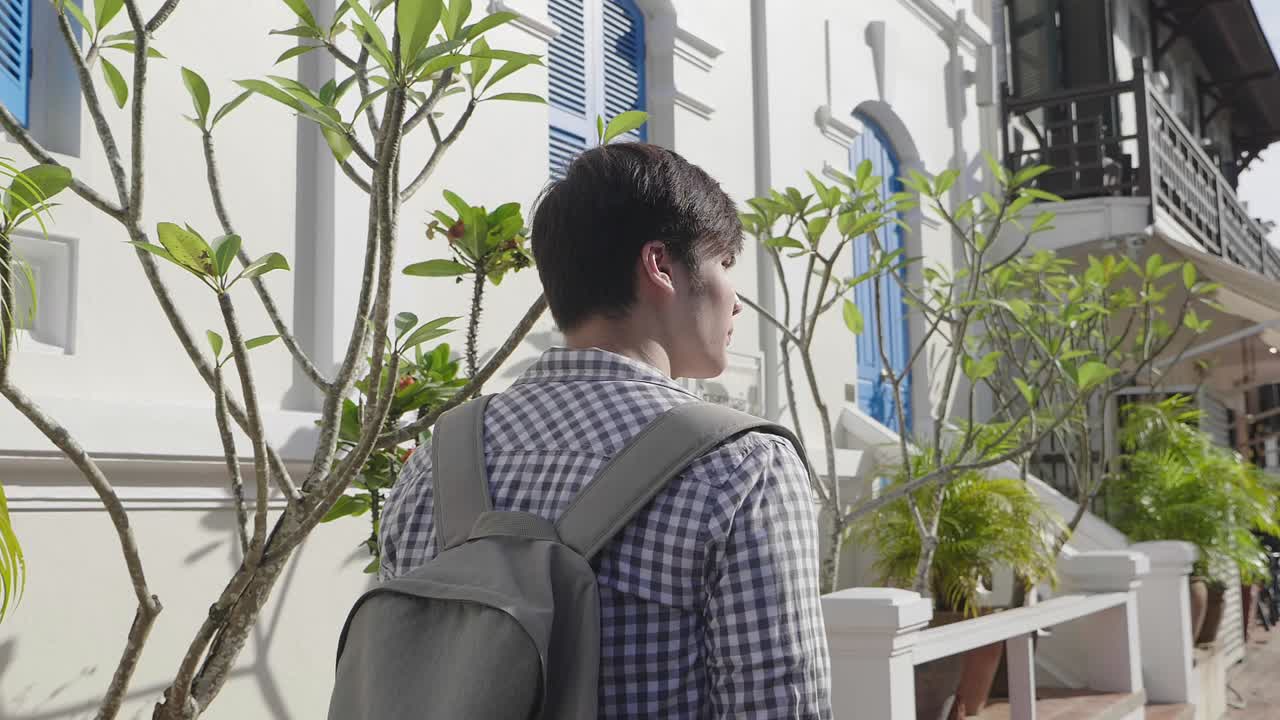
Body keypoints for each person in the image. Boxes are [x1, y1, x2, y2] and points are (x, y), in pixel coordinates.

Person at [379, 143, 832, 718]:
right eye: (724, 264)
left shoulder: (436, 458)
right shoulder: (745, 467)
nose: (736, 301)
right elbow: (779, 707)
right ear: (661, 266)